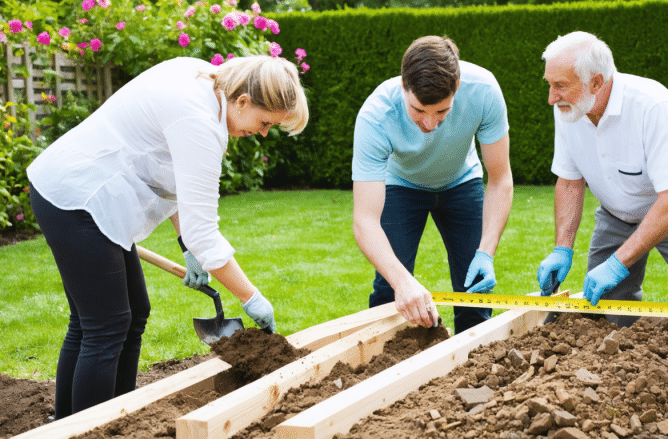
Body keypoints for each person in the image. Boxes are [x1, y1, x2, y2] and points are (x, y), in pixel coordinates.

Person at [26, 55, 309, 418]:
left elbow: (177, 179)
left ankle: (93, 419)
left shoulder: (200, 77)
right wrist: (250, 297)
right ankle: (86, 428)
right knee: (106, 324)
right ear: (243, 101)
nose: (264, 132)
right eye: (265, 121)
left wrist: (186, 245)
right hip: (79, 197)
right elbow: (205, 231)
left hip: (83, 192)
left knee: (120, 315)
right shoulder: (199, 120)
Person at [537, 31, 668, 372]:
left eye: (560, 85)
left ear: (596, 82)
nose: (552, 97)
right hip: (617, 210)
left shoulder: (651, 104)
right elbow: (569, 180)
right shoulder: (569, 109)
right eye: (549, 84)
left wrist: (617, 262)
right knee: (608, 299)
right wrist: (562, 248)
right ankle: (621, 378)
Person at [352, 36, 513, 334]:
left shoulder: (485, 91)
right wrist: (402, 281)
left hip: (462, 183)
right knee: (390, 289)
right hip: (401, 185)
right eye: (418, 110)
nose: (429, 124)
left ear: (458, 88)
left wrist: (486, 252)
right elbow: (365, 220)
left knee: (474, 292)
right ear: (403, 85)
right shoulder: (376, 116)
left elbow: (500, 180)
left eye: (441, 111)